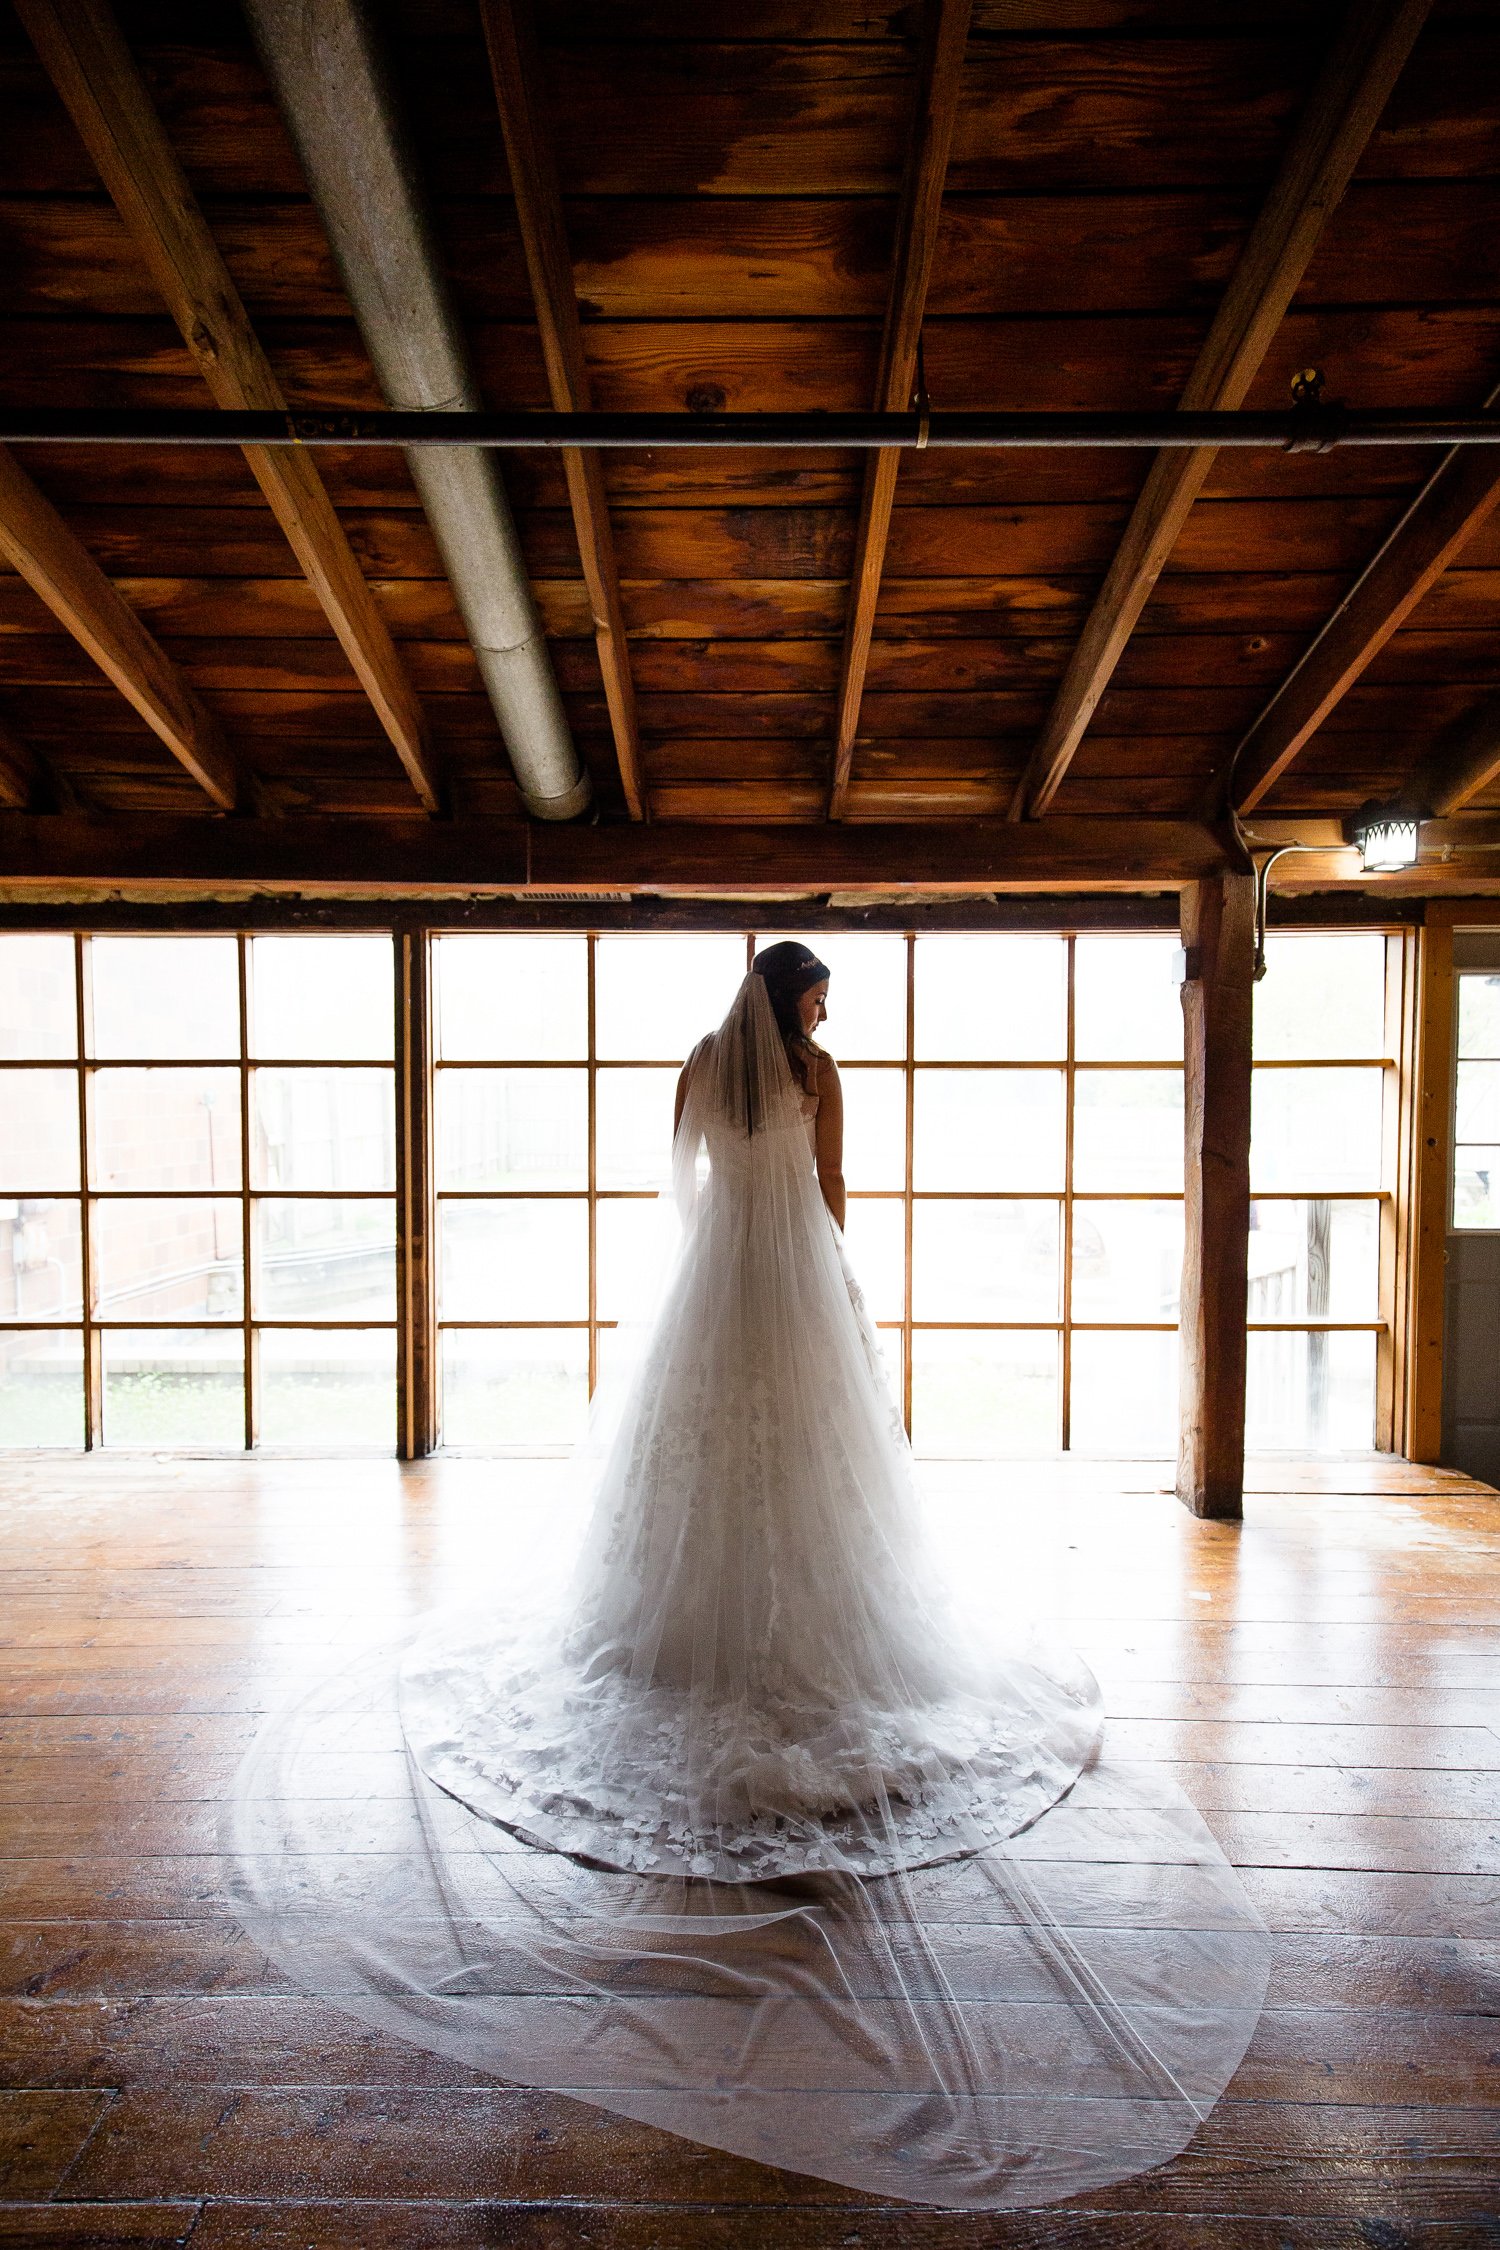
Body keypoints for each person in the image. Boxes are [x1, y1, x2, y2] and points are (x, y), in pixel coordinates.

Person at [228, 940, 1268, 2210]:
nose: (830, 1010)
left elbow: (682, 1185)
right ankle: (768, 1625)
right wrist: (825, 1280)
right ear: (794, 999)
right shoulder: (816, 1071)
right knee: (803, 1457)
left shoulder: (699, 1067)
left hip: (710, 1283)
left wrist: (725, 1251)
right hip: (788, 1288)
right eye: (821, 992)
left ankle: (679, 1629)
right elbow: (834, 1193)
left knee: (699, 1453)